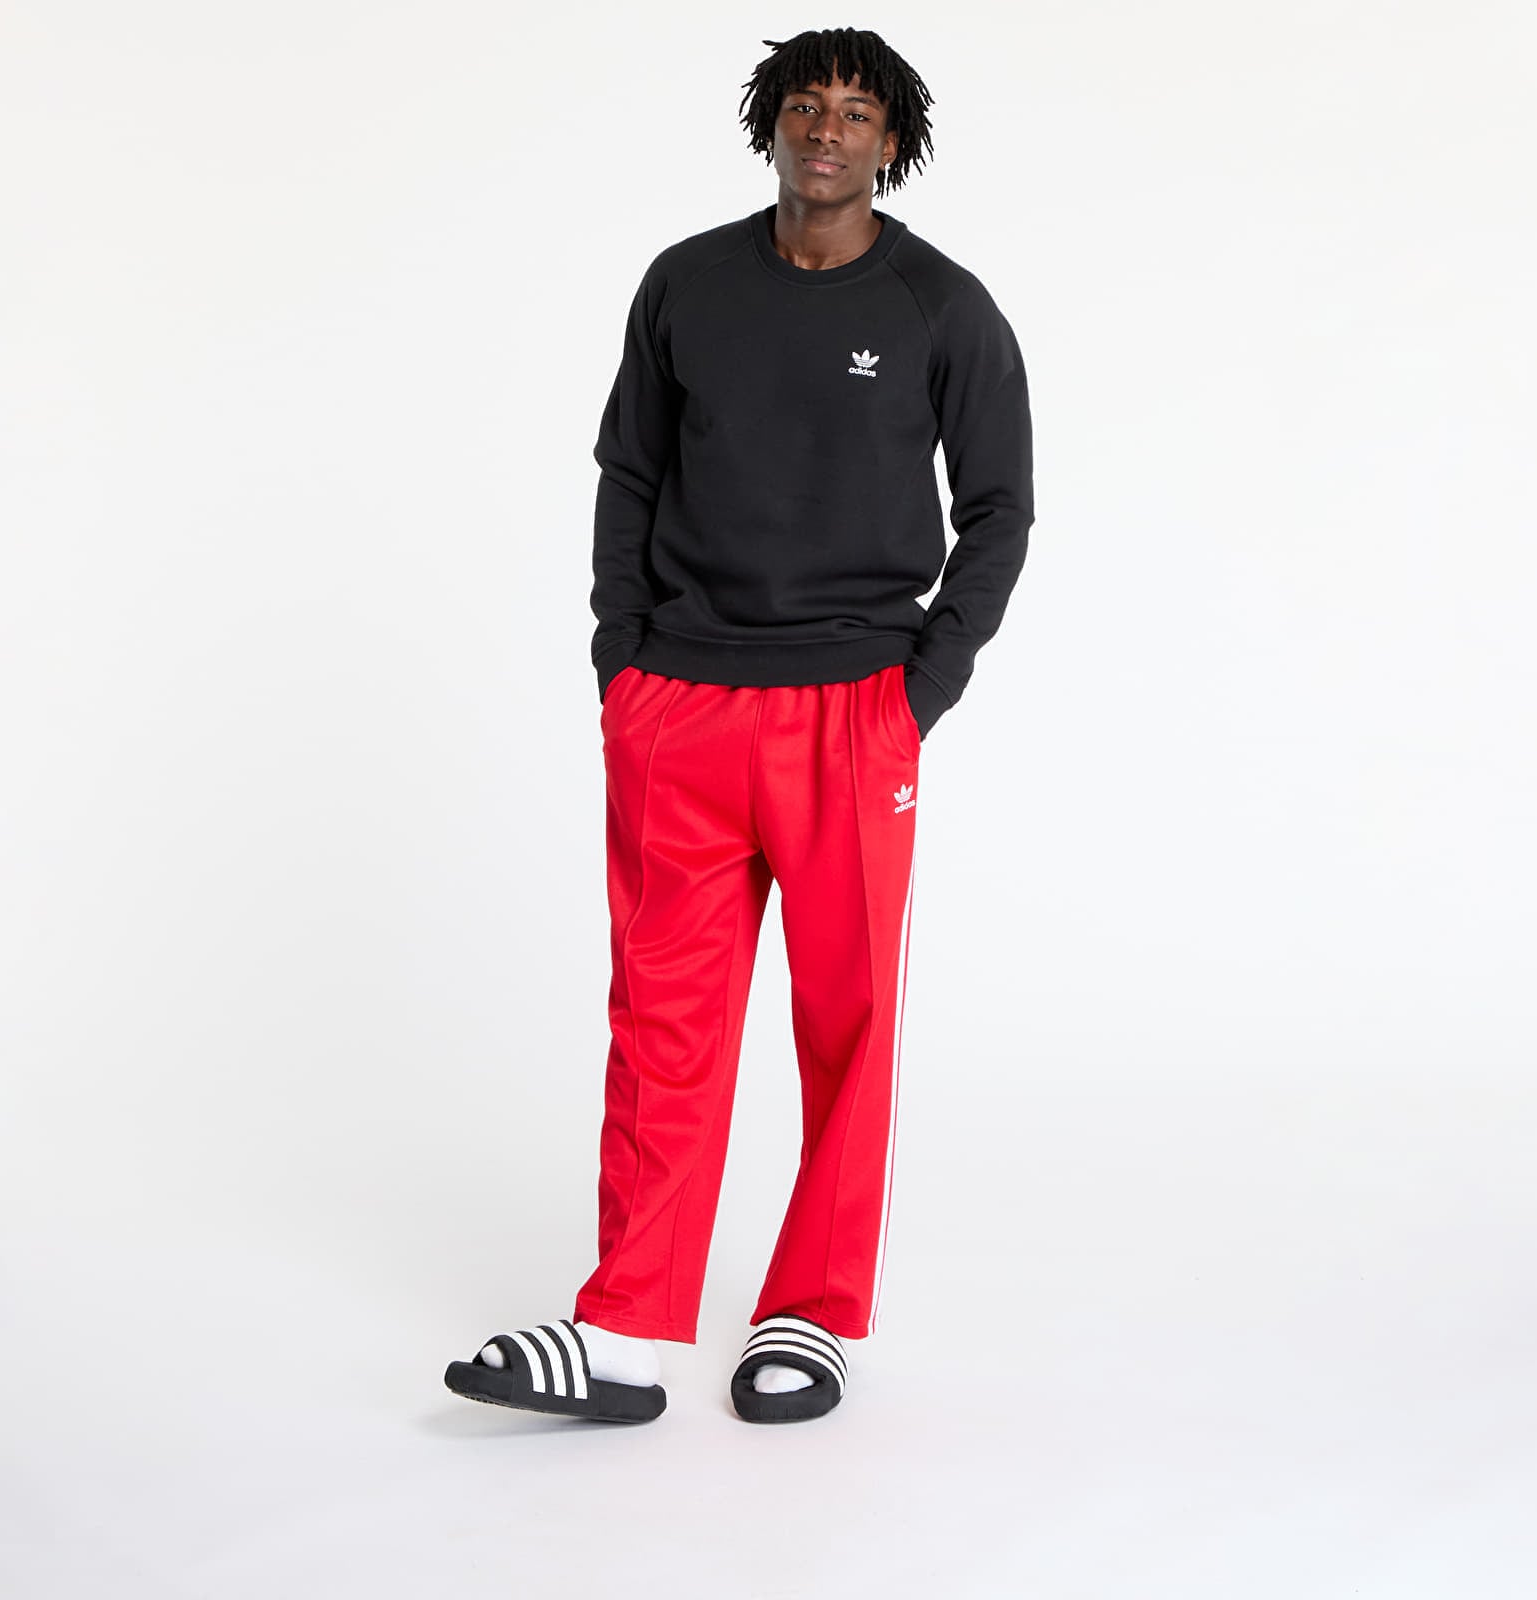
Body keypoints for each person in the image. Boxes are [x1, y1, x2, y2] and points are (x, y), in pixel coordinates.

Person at [445, 25, 1034, 1425]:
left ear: (894, 143)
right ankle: (625, 1331)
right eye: (805, 104)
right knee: (663, 1019)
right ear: (770, 123)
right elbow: (629, 472)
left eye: (857, 111)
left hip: (853, 712)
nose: (827, 128)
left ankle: (809, 1314)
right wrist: (623, 662)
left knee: (848, 1021)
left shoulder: (943, 307)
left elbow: (1000, 509)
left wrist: (922, 688)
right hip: (682, 705)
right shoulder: (686, 283)